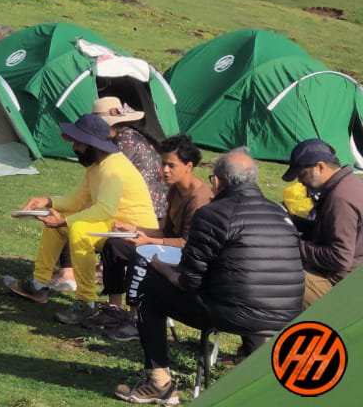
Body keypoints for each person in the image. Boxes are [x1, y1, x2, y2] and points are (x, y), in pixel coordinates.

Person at [115, 150, 303, 404]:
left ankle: (160, 383)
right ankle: (262, 377)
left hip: (237, 312)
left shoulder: (212, 214)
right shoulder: (280, 214)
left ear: (216, 181)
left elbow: (188, 281)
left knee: (149, 289)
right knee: (247, 295)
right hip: (288, 312)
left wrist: (161, 268)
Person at [4, 113, 158, 325]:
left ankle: (86, 303)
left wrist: (65, 221)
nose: (75, 147)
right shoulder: (97, 164)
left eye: (79, 142)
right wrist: (48, 202)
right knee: (58, 224)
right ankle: (39, 284)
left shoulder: (113, 167)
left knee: (78, 230)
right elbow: (78, 201)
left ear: (92, 144)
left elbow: (104, 209)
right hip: (113, 224)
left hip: (135, 231)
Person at [50, 97, 170, 292]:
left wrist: (65, 216)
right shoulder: (129, 136)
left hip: (140, 216)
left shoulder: (120, 146)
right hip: (139, 207)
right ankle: (71, 275)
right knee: (78, 214)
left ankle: (70, 274)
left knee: (79, 219)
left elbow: (108, 191)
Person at [99, 135, 212, 340]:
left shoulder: (199, 199)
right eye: (163, 163)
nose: (164, 170)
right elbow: (166, 231)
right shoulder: (174, 190)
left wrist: (149, 241)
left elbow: (188, 243)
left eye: (171, 165)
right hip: (169, 248)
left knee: (142, 255)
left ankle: (135, 318)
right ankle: (114, 309)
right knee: (115, 244)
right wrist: (134, 229)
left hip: (189, 257)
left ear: (189, 166)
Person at [283, 138, 363, 308]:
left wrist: (293, 246)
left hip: (340, 282)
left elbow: (339, 257)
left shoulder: (340, 198)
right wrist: (292, 221)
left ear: (320, 167)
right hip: (352, 276)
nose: (300, 181)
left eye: (302, 174)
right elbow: (330, 230)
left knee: (275, 277)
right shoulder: (350, 185)